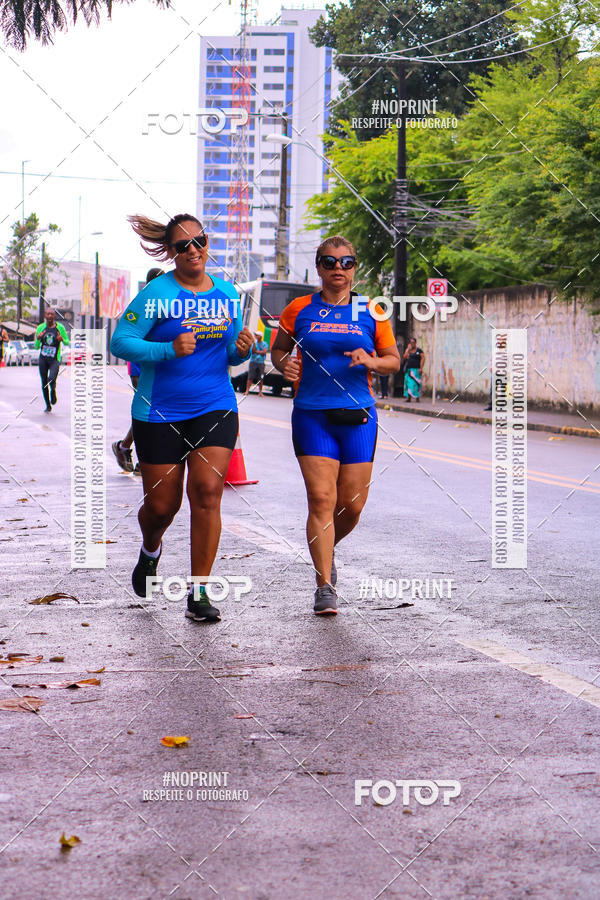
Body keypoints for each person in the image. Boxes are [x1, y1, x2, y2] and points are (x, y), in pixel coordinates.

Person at [111, 213, 254, 623]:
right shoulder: (158, 293)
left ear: (207, 244)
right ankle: (150, 550)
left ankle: (199, 592)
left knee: (208, 492)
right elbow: (121, 341)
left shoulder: (227, 294)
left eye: (199, 241)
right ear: (171, 253)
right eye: (183, 245)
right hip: (159, 412)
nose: (193, 250)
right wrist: (168, 349)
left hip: (215, 405)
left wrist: (243, 349)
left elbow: (230, 355)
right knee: (162, 507)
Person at [271, 235, 401, 615]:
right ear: (319, 267)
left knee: (353, 505)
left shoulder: (372, 310)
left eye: (346, 262)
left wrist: (372, 362)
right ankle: (324, 582)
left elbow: (392, 359)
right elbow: (279, 349)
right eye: (330, 262)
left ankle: (326, 548)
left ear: (355, 267)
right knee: (322, 500)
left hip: (358, 415)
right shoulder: (299, 309)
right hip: (312, 414)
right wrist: (283, 363)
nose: (338, 269)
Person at [112, 268, 165, 474]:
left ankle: (126, 448)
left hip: (160, 364)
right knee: (149, 411)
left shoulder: (167, 304)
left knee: (158, 412)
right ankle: (138, 456)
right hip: (140, 364)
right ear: (151, 284)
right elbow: (127, 337)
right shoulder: (140, 304)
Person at [34, 308, 69, 413]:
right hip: (43, 359)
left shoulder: (60, 328)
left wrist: (62, 339)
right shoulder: (40, 328)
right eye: (48, 314)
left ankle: (53, 391)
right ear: (45, 316)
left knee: (51, 378)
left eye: (52, 314)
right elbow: (36, 347)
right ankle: (48, 405)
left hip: (55, 359)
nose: (50, 316)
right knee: (44, 382)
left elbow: (67, 342)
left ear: (54, 316)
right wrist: (38, 338)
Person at [244, 330, 268, 397]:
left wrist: (258, 352)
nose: (255, 336)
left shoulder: (264, 344)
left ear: (260, 336)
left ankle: (260, 392)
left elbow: (264, 352)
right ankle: (247, 390)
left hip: (261, 362)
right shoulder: (254, 343)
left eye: (257, 335)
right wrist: (257, 349)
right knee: (250, 377)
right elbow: (253, 351)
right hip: (253, 361)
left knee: (260, 377)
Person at [402, 337, 424, 402]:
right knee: (408, 384)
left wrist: (421, 368)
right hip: (409, 370)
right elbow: (404, 357)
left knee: (416, 383)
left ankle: (417, 397)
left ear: (415, 343)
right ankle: (409, 398)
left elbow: (423, 358)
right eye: (411, 342)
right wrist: (408, 349)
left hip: (416, 370)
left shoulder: (419, 351)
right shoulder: (408, 350)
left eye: (413, 342)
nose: (412, 344)